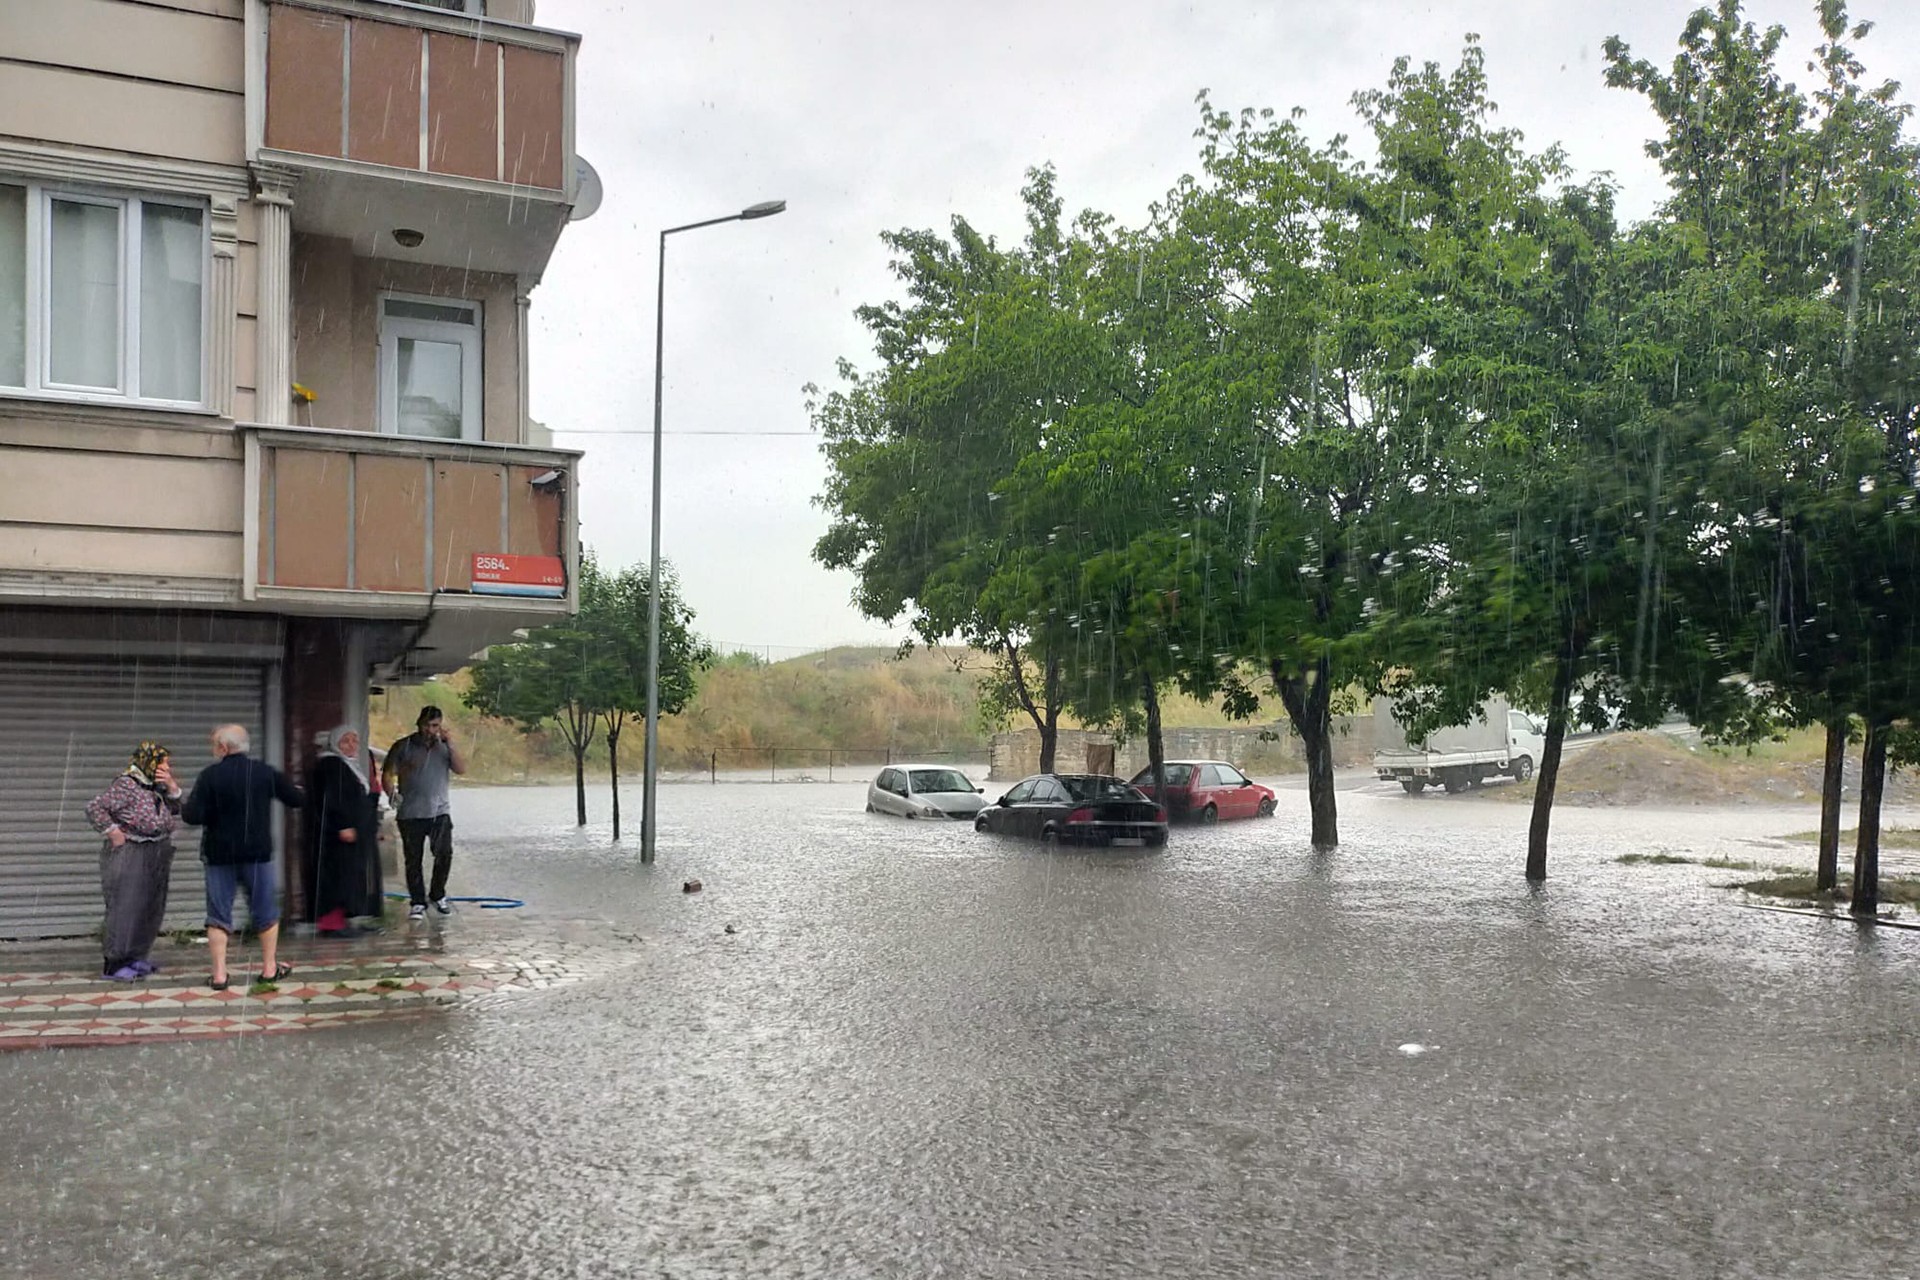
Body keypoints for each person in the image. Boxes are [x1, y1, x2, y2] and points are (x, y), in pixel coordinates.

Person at [179, 724, 304, 990]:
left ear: (223, 748)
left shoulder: (210, 776)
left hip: (219, 855)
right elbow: (295, 799)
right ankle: (269, 969)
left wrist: (180, 797)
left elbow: (192, 816)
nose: (214, 749)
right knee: (265, 912)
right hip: (256, 854)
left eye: (214, 745)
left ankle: (220, 975)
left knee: (218, 915)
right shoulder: (263, 773)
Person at [84, 742, 183, 982]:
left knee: (149, 907)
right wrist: (113, 832)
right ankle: (115, 962)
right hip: (131, 850)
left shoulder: (157, 787)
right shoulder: (127, 784)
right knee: (125, 905)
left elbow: (179, 809)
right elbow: (95, 807)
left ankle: (136, 955)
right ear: (148, 762)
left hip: (156, 850)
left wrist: (172, 787)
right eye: (163, 763)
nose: (167, 767)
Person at [383, 706, 466, 921]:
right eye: (427, 725)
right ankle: (417, 901)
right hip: (411, 812)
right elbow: (388, 774)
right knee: (413, 859)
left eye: (435, 726)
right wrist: (392, 794)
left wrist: (451, 744)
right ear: (419, 724)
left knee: (444, 854)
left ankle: (438, 894)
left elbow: (460, 769)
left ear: (440, 726)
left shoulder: (444, 747)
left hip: (439, 811)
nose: (431, 730)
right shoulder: (404, 746)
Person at [305, 725, 381, 937]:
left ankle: (345, 920)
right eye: (345, 741)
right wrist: (343, 824)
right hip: (338, 837)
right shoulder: (331, 765)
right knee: (337, 877)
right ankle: (331, 924)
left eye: (354, 740)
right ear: (335, 743)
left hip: (354, 834)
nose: (351, 745)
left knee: (349, 877)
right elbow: (333, 798)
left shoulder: (348, 765)